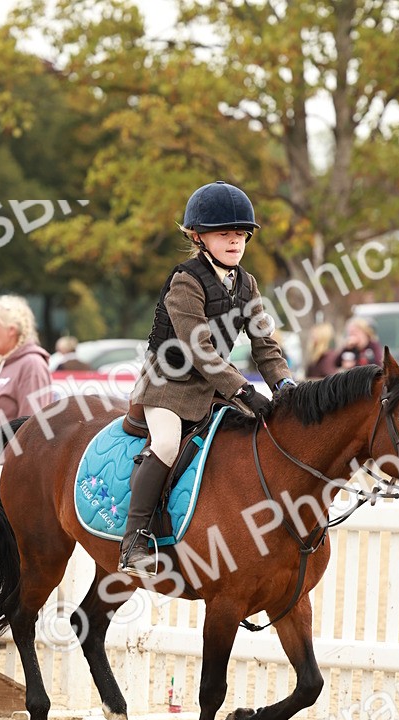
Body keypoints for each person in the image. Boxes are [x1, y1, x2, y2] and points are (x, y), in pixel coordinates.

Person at [119, 180, 295, 577]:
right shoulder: (185, 281)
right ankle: (134, 541)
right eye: (224, 234)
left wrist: (285, 386)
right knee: (165, 444)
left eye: (240, 234)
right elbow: (200, 351)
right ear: (199, 238)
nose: (235, 242)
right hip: (167, 386)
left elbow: (265, 344)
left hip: (214, 387)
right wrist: (245, 390)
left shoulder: (246, 284)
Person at [0, 295, 54, 440]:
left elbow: (33, 430)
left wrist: (6, 461)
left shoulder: (32, 365)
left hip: (6, 461)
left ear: (11, 330)